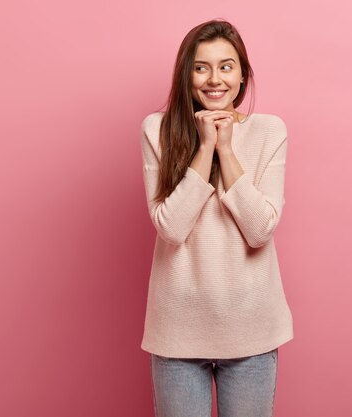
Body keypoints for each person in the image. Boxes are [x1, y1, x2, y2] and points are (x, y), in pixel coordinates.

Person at [139, 19, 294, 417]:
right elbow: (171, 228)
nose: (214, 79)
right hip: (177, 329)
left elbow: (260, 231)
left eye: (226, 66)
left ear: (243, 75)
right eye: (201, 67)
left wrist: (226, 150)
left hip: (252, 327)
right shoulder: (158, 130)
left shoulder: (268, 130)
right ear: (186, 73)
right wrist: (204, 147)